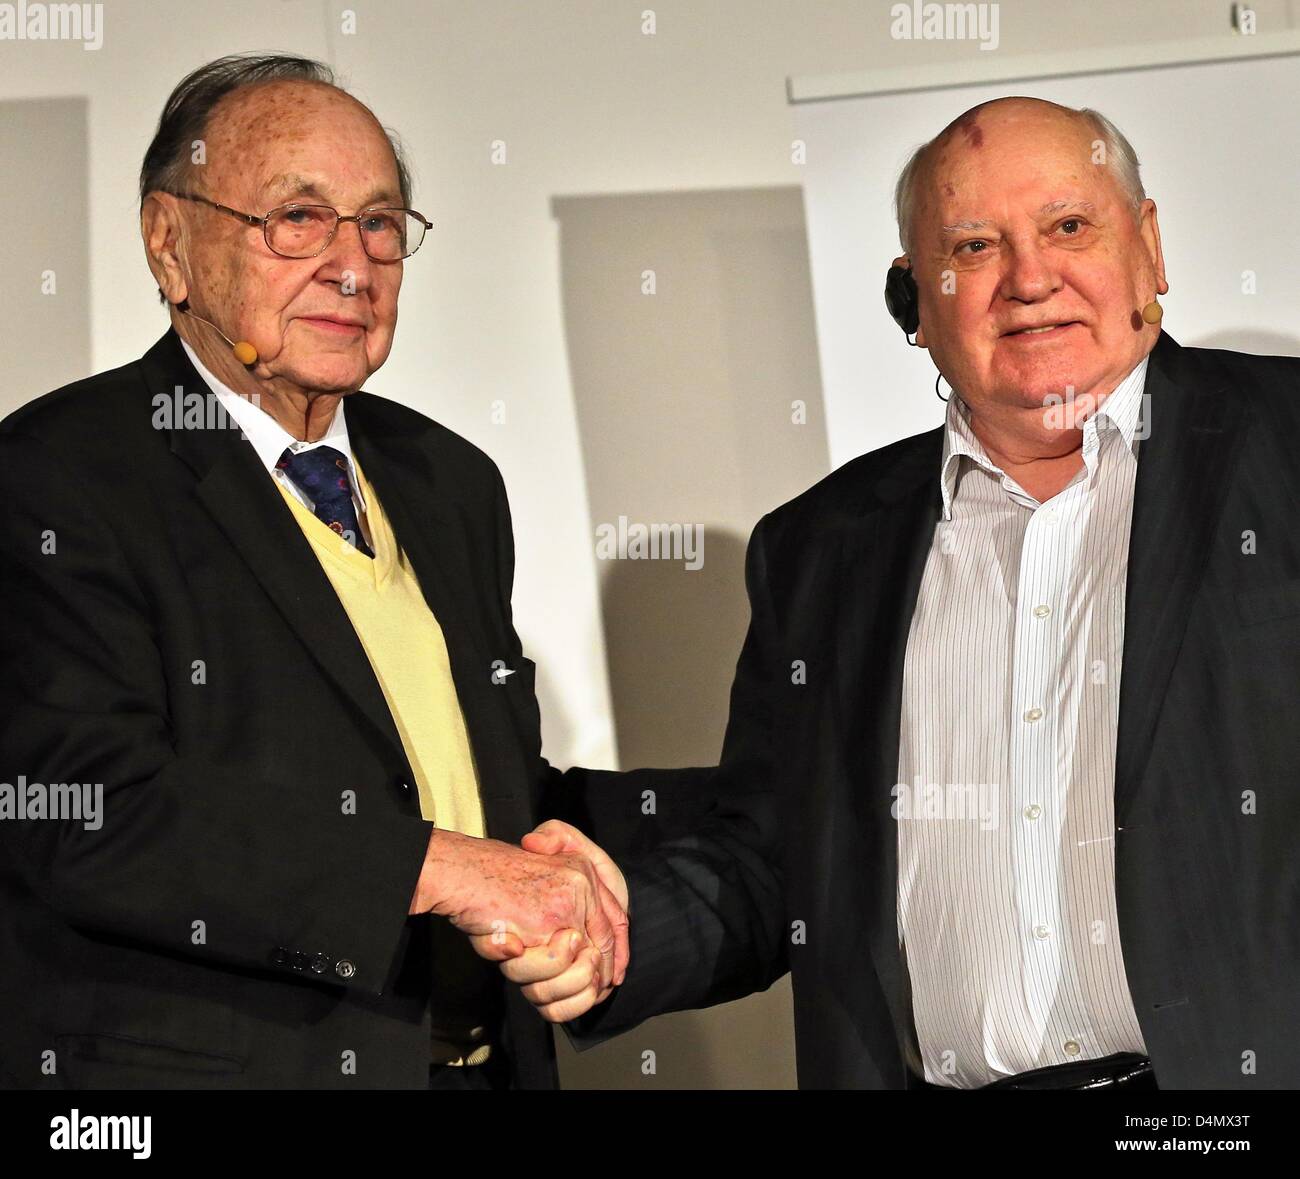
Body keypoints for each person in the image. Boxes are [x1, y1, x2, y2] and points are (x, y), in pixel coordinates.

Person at [509, 97, 1300, 1090]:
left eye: (1068, 226)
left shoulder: (1285, 445)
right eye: (972, 245)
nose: (1029, 278)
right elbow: (776, 865)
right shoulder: (819, 548)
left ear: (1147, 247)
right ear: (915, 302)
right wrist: (607, 932)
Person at [0, 52, 646, 1091]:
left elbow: (468, 790)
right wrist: (442, 871)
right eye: (298, 218)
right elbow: (86, 812)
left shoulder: (448, 482)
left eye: (381, 224)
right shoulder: (59, 475)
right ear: (170, 243)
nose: (354, 265)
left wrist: (724, 820)